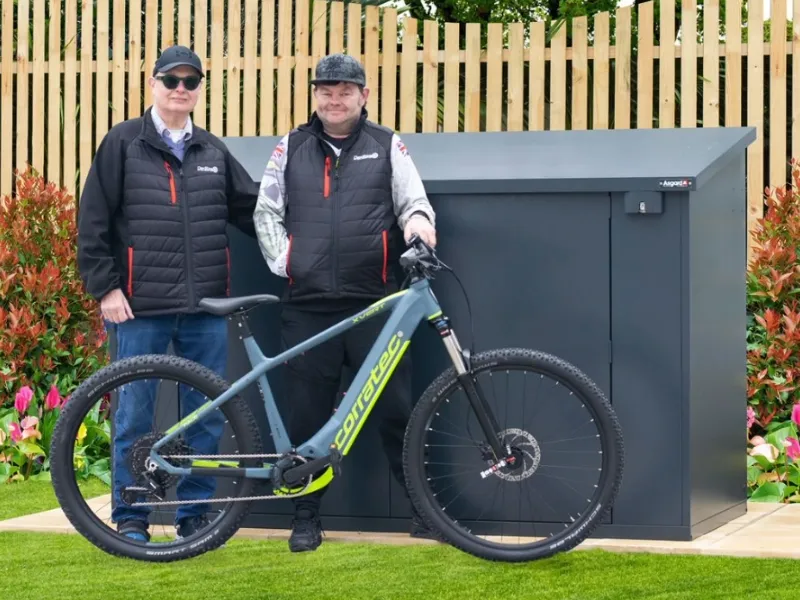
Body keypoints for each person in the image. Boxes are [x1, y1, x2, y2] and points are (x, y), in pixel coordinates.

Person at [253, 53, 438, 552]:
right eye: (325, 91)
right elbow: (266, 209)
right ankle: (307, 517)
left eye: (344, 91)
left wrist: (420, 231)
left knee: (397, 408)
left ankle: (424, 511)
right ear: (315, 95)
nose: (334, 100)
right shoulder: (291, 146)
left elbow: (413, 203)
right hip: (307, 307)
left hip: (376, 307)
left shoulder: (386, 145)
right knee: (308, 416)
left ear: (364, 96)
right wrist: (288, 262)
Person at [77, 45, 259, 542]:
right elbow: (92, 220)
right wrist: (106, 288)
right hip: (139, 309)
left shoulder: (213, 150)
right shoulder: (122, 143)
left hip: (204, 308)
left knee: (203, 418)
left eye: (190, 81)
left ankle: (193, 515)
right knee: (135, 416)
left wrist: (302, 236)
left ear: (199, 89)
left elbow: (252, 212)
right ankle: (132, 516)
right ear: (152, 84)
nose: (181, 89)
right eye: (171, 80)